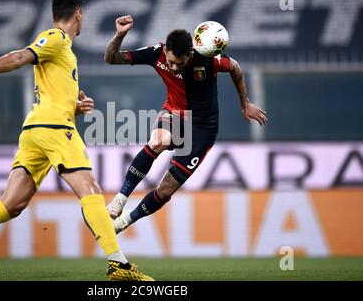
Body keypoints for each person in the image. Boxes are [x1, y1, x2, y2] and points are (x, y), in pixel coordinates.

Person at [0, 0, 153, 281]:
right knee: (91, 191)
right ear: (79, 15)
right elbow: (21, 56)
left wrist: (74, 107)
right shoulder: (55, 37)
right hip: (55, 129)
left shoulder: (62, 49)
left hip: (36, 130)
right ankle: (119, 266)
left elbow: (50, 92)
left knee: (11, 204)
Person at [104, 15, 267, 233]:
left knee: (165, 190)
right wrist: (120, 35)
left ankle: (123, 222)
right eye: (170, 62)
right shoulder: (156, 53)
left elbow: (235, 67)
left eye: (179, 64)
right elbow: (111, 58)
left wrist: (245, 103)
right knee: (158, 140)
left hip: (202, 129)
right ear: (166, 52)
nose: (172, 68)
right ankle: (119, 199)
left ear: (190, 54)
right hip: (175, 112)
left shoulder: (208, 59)